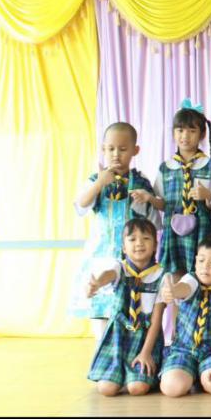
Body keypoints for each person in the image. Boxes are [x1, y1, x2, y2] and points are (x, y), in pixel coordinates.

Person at [71, 122, 158, 336]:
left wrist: (145, 200)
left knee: (126, 310)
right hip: (100, 254)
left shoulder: (141, 182)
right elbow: (81, 205)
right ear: (103, 149)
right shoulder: (96, 179)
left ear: (135, 150)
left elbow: (153, 223)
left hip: (131, 260)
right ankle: (102, 349)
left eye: (122, 149)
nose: (116, 154)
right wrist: (99, 184)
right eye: (110, 149)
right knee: (100, 309)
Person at [86, 219, 166, 396]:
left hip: (145, 339)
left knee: (137, 388)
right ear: (123, 247)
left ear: (155, 246)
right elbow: (109, 274)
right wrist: (97, 283)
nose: (139, 243)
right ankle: (120, 374)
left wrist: (146, 353)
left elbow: (156, 322)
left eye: (146, 238)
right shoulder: (120, 267)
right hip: (117, 337)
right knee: (106, 389)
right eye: (132, 239)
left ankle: (138, 375)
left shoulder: (161, 275)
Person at [159, 234, 211, 397]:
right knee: (172, 388)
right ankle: (188, 372)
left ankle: (199, 374)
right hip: (183, 349)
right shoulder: (191, 279)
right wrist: (173, 291)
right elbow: (184, 288)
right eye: (201, 260)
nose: (205, 267)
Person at [152, 106, 211, 276]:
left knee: (202, 271)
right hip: (172, 228)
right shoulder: (166, 168)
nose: (185, 136)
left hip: (202, 228)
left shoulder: (210, 166)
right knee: (174, 271)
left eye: (192, 131)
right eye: (180, 130)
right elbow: (162, 204)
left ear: (202, 135)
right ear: (173, 133)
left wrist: (208, 196)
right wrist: (149, 198)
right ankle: (175, 295)